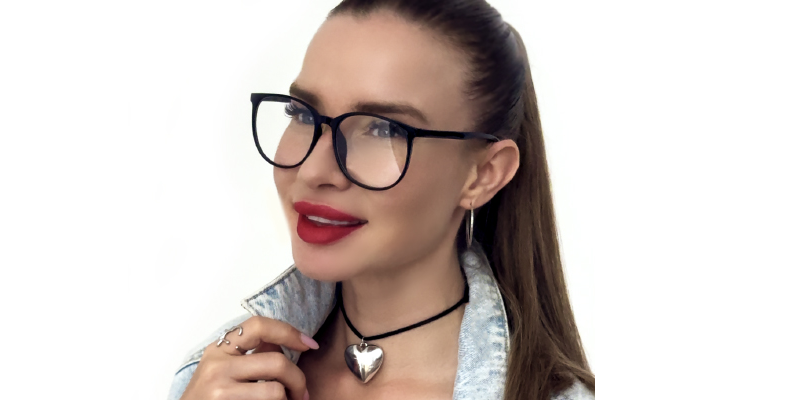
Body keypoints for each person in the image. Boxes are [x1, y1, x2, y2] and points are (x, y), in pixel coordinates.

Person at [168, 0, 595, 399]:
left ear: (483, 175)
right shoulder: (215, 378)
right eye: (301, 113)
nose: (313, 171)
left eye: (382, 129)